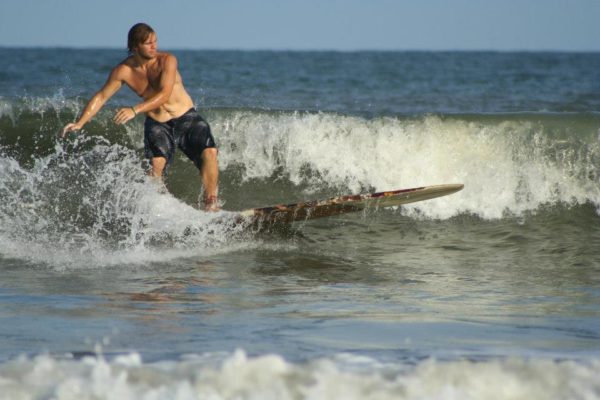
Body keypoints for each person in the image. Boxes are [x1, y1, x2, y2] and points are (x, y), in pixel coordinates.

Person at [62, 23, 220, 211]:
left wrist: (134, 110)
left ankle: (211, 203)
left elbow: (165, 93)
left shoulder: (167, 60)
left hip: (186, 116)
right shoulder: (123, 71)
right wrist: (80, 122)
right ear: (135, 47)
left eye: (155, 42)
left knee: (209, 152)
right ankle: (161, 209)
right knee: (156, 166)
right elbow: (102, 96)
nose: (154, 46)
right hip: (158, 123)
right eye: (148, 43)